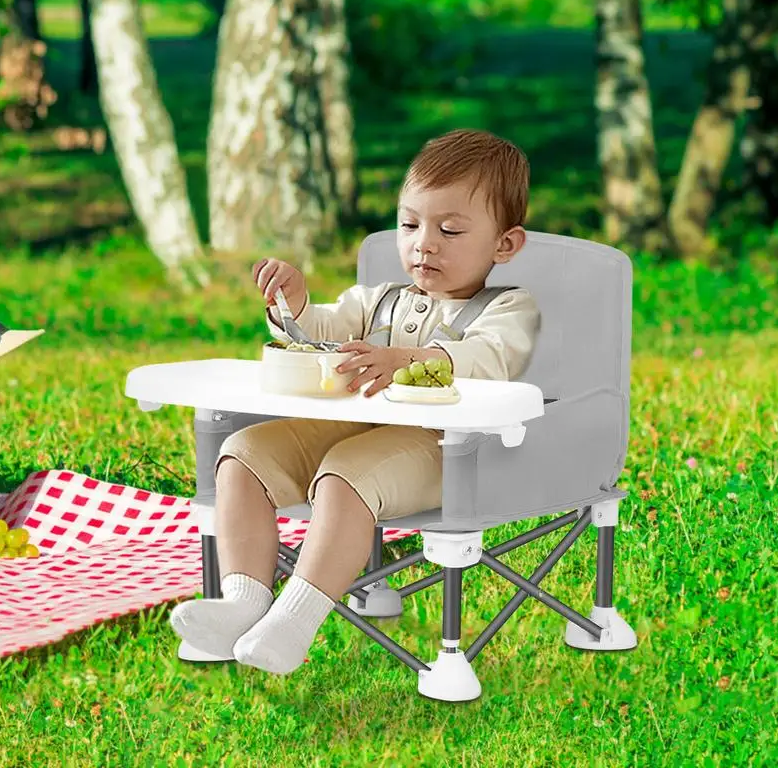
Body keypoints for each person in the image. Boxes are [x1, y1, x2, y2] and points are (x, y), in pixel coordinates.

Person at [170, 128, 541, 674]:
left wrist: (409, 362)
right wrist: (294, 302)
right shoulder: (378, 300)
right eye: (409, 225)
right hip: (356, 431)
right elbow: (317, 331)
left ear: (504, 244)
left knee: (346, 471)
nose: (424, 244)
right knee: (243, 452)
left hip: (445, 451)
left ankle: (293, 622)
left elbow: (490, 360)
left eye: (450, 229)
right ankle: (244, 602)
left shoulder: (510, 308)